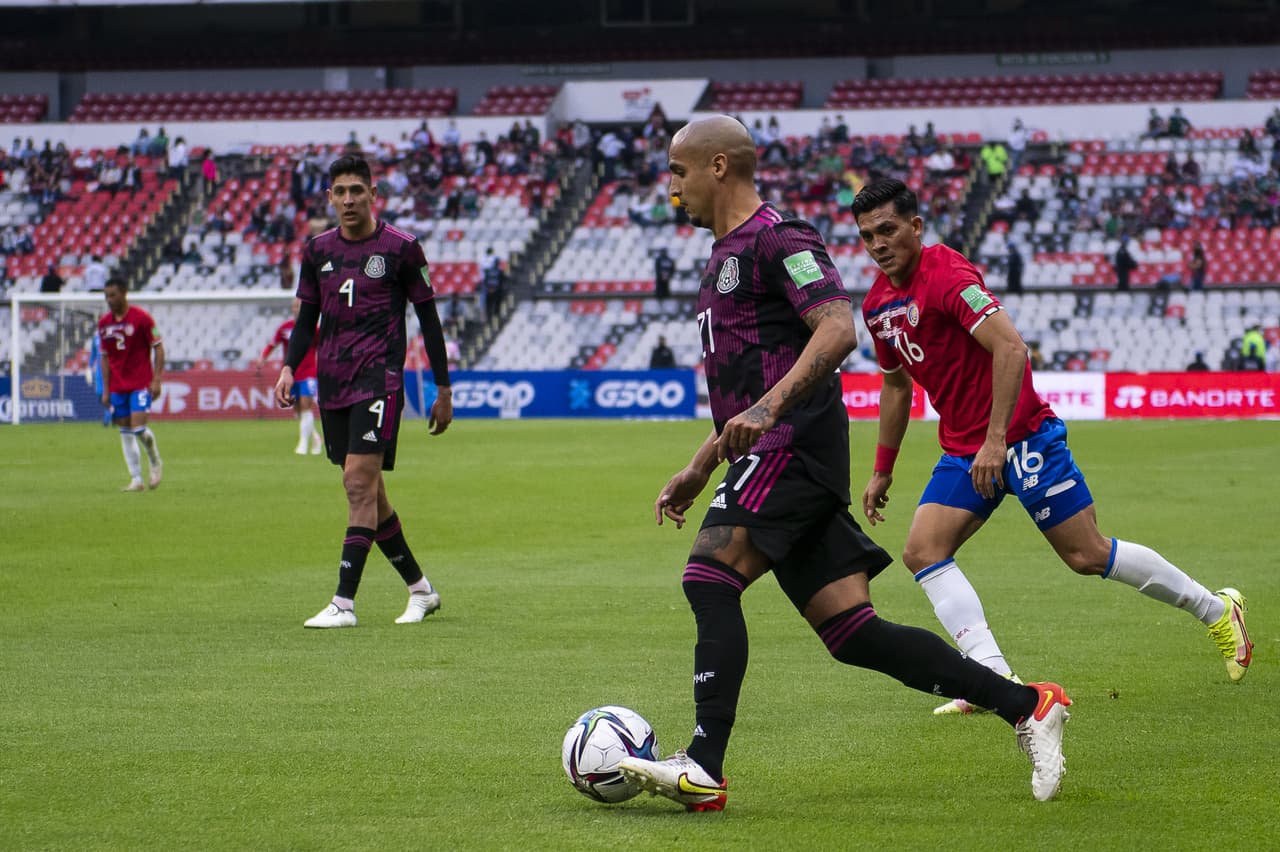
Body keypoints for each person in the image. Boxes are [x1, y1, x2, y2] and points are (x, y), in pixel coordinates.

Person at [616, 117, 1073, 812]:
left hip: (793, 446)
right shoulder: (721, 258)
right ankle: (1028, 705)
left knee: (709, 577)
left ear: (717, 167)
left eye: (677, 172)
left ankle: (703, 763)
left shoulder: (781, 238)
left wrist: (768, 415)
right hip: (769, 450)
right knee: (852, 632)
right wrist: (702, 464)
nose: (670, 187)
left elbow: (836, 328)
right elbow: (743, 393)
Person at [851, 178, 1252, 719]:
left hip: (1022, 437)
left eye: (888, 229)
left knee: (1086, 554)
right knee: (924, 550)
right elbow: (896, 387)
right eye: (867, 235)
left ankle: (1217, 610)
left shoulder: (947, 273)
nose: (878, 243)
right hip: (965, 450)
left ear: (915, 227)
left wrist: (997, 440)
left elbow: (1012, 349)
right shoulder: (877, 305)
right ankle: (992, 678)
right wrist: (882, 469)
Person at [274, 155, 453, 629]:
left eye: (357, 190)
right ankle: (421, 590)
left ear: (374, 195)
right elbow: (306, 318)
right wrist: (289, 366)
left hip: (380, 379)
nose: (349, 199)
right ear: (330, 197)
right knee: (370, 491)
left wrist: (443, 387)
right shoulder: (316, 251)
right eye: (340, 191)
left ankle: (344, 603)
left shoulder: (402, 249)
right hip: (333, 381)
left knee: (357, 482)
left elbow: (429, 322)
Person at [98, 276, 164, 491]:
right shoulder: (104, 323)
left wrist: (156, 379)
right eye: (106, 296)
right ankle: (136, 479)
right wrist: (106, 389)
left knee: (138, 429)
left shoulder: (143, 319)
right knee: (125, 432)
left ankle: (155, 462)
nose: (109, 300)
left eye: (113, 295)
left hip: (141, 383)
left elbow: (159, 347)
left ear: (124, 293)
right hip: (117, 386)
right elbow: (105, 357)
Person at [255, 298, 323, 455]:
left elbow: (323, 347)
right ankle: (315, 438)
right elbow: (272, 344)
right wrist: (263, 357)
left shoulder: (315, 329)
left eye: (300, 306)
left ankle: (303, 445)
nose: (297, 309)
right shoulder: (284, 328)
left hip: (309, 373)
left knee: (306, 405)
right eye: (295, 306)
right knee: (298, 409)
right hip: (292, 374)